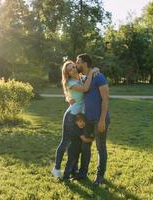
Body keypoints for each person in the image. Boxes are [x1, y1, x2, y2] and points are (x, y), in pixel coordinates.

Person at [51, 60, 99, 178]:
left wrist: (95, 70)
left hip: (80, 117)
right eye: (70, 69)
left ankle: (73, 169)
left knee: (76, 143)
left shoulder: (82, 78)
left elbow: (89, 79)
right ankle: (56, 168)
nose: (73, 69)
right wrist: (92, 71)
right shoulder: (71, 82)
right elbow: (86, 89)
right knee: (65, 142)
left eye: (73, 67)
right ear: (67, 74)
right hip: (71, 116)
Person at [75, 53, 110, 186]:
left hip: (99, 119)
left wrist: (102, 120)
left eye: (78, 62)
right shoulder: (84, 78)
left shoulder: (99, 77)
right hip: (87, 120)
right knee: (85, 146)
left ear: (85, 63)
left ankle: (100, 177)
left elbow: (106, 98)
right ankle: (83, 173)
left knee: (100, 148)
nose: (76, 64)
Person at [62, 113, 94, 180]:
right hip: (73, 149)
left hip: (77, 150)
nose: (82, 123)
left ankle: (74, 173)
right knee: (70, 162)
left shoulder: (81, 128)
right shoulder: (77, 129)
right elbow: (84, 140)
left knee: (75, 162)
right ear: (76, 122)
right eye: (80, 121)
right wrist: (92, 139)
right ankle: (66, 176)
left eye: (83, 121)